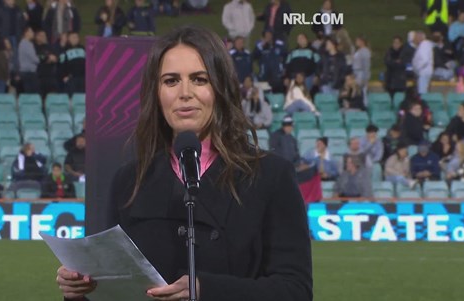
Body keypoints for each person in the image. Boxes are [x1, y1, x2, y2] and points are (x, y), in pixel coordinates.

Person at [56, 25, 312, 301]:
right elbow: (112, 291)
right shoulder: (129, 181)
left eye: (199, 79)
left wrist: (206, 290)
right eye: (171, 81)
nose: (185, 92)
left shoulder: (271, 176)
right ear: (156, 93)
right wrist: (80, 293)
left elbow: (295, 290)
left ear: (220, 87)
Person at [34, 30, 60, 98]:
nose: (44, 37)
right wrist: (47, 58)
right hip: (40, 77)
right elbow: (38, 57)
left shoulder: (50, 47)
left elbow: (56, 57)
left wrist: (50, 59)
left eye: (45, 36)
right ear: (37, 37)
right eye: (42, 36)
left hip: (51, 77)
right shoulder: (34, 47)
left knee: (52, 98)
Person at [18, 27, 41, 94]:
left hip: (26, 72)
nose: (33, 33)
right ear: (26, 33)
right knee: (33, 93)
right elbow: (33, 58)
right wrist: (40, 60)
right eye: (31, 32)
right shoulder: (26, 44)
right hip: (29, 73)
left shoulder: (22, 44)